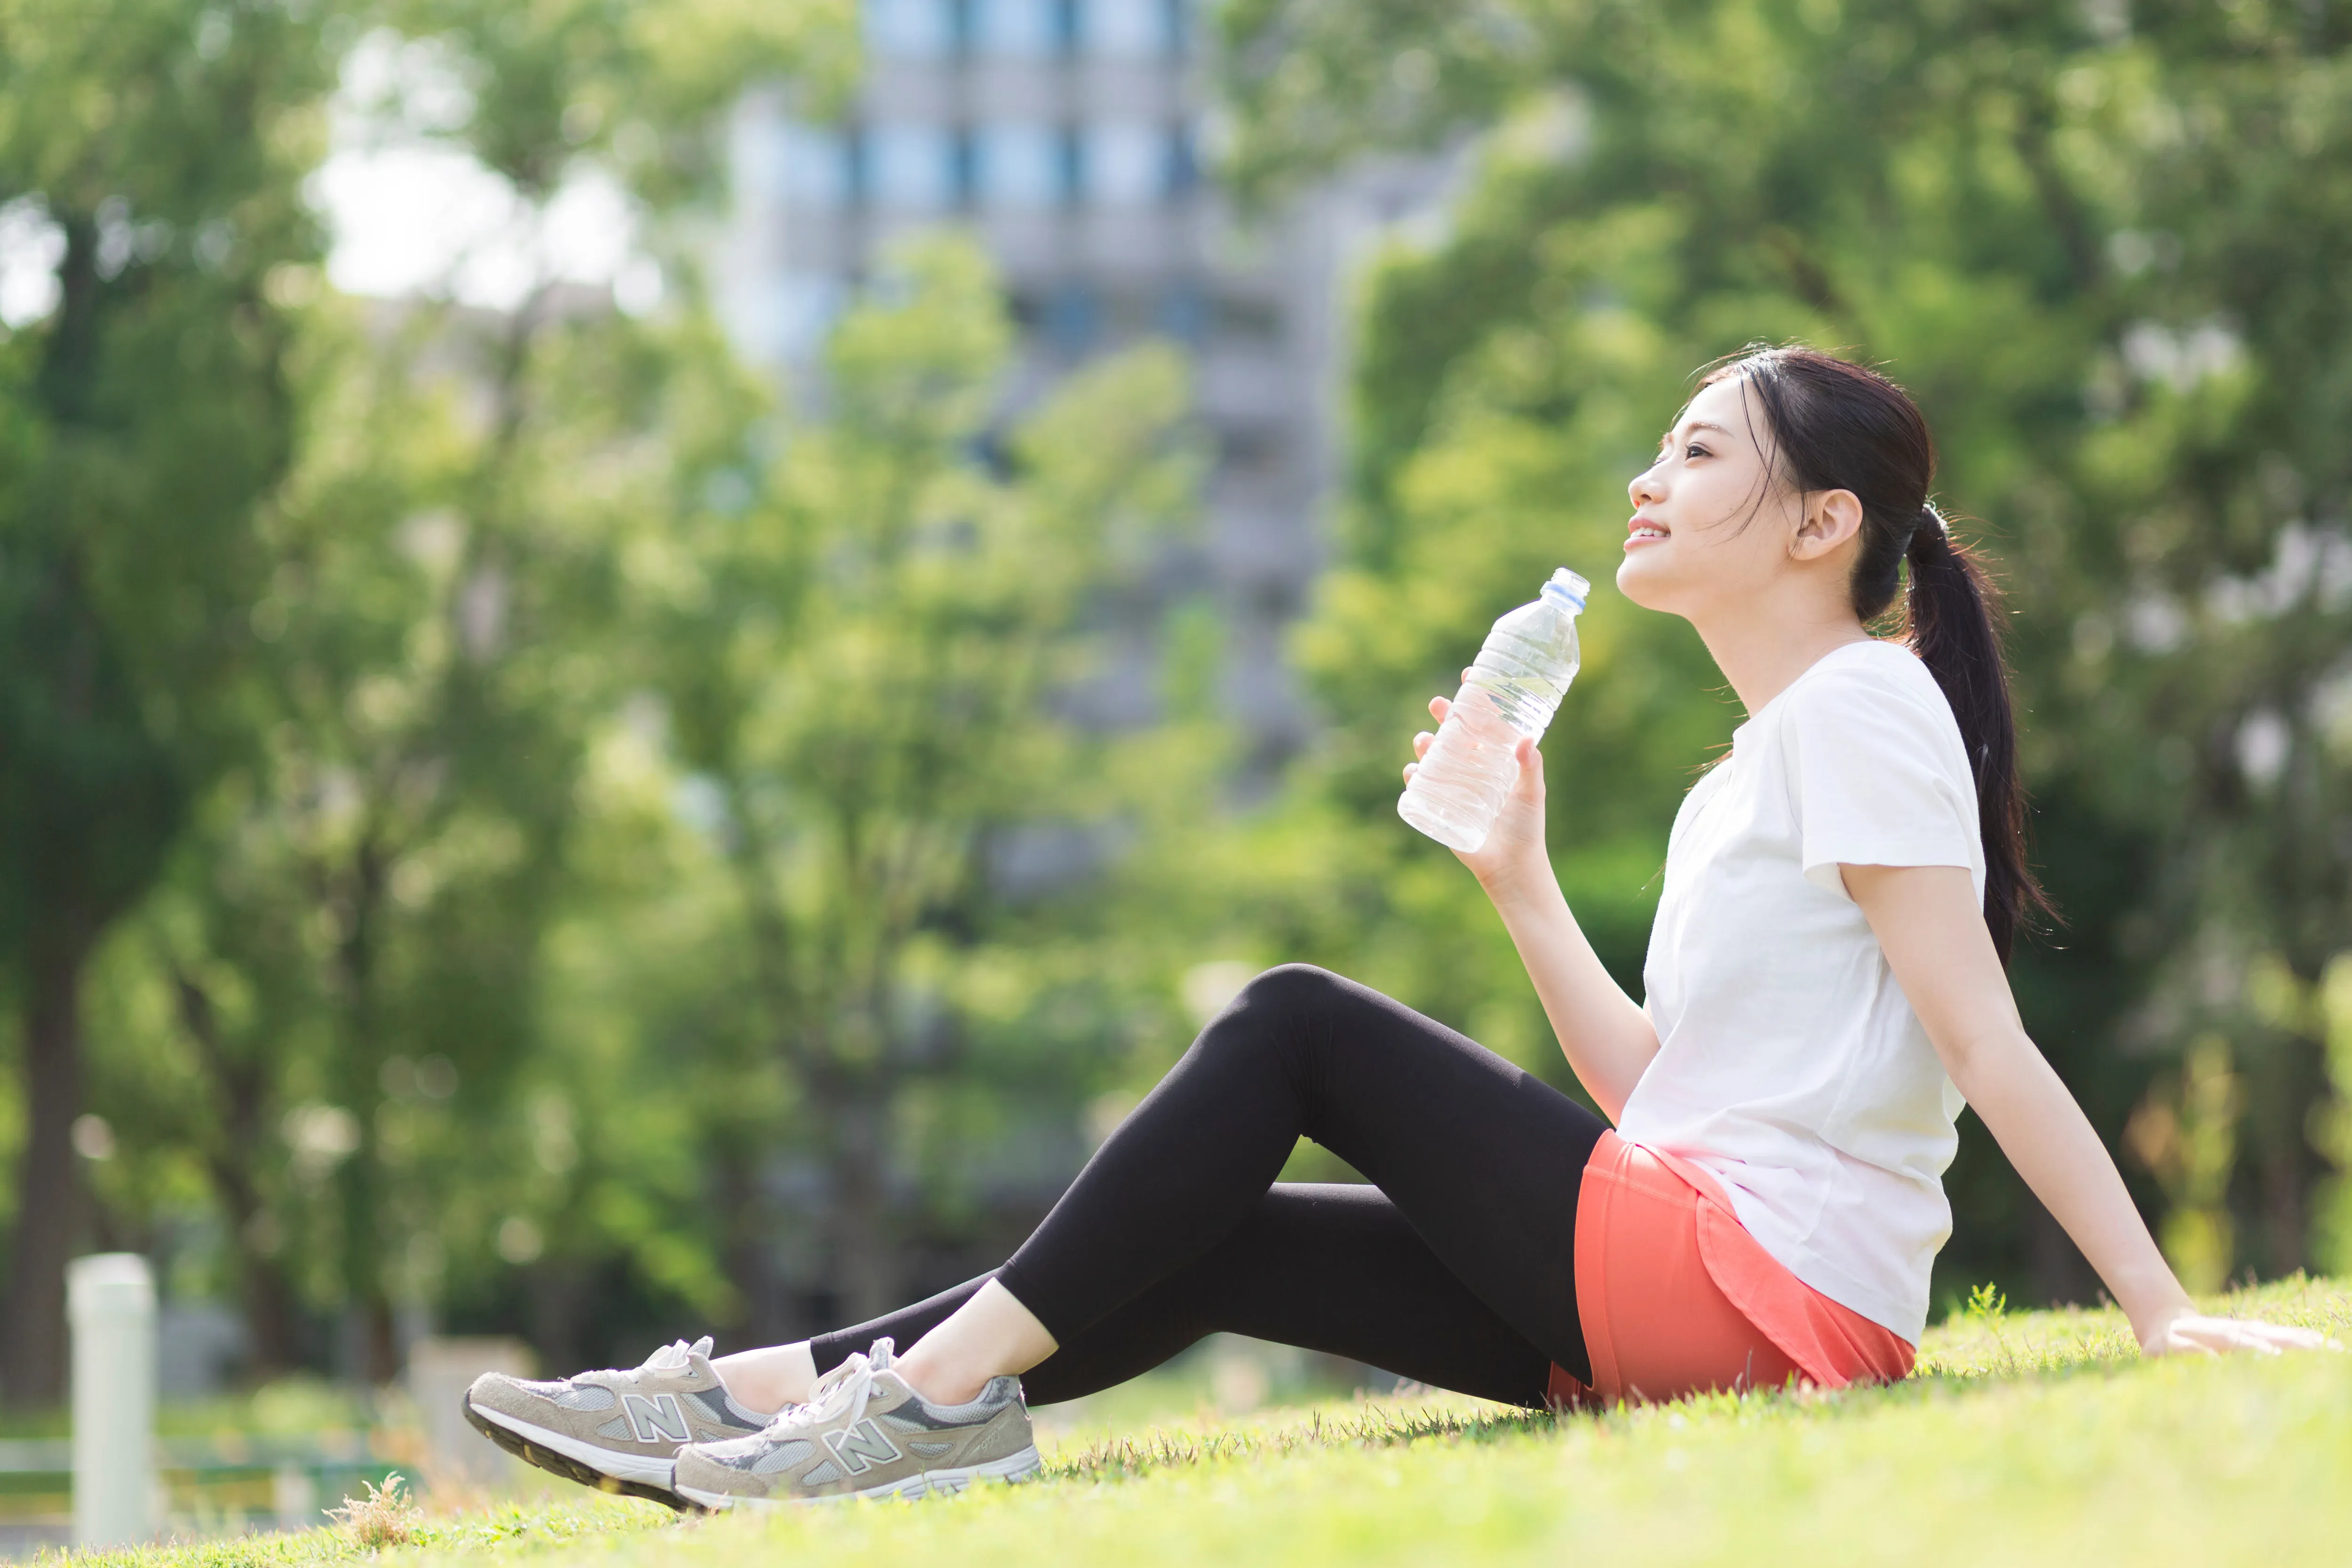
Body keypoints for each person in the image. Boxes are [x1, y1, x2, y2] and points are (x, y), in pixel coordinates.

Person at [462, 346, 2328, 1510]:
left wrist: (2157, 1306)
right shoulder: (1750, 763)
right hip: (1686, 1267)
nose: (1645, 480)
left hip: (1765, 1297)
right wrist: (1515, 878)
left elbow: (1983, 1036)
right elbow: (1663, 1094)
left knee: (1290, 1021)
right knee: (1206, 1243)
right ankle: (752, 1400)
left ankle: (908, 1408)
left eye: (1694, 452)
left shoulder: (1858, 708)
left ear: (1818, 518)